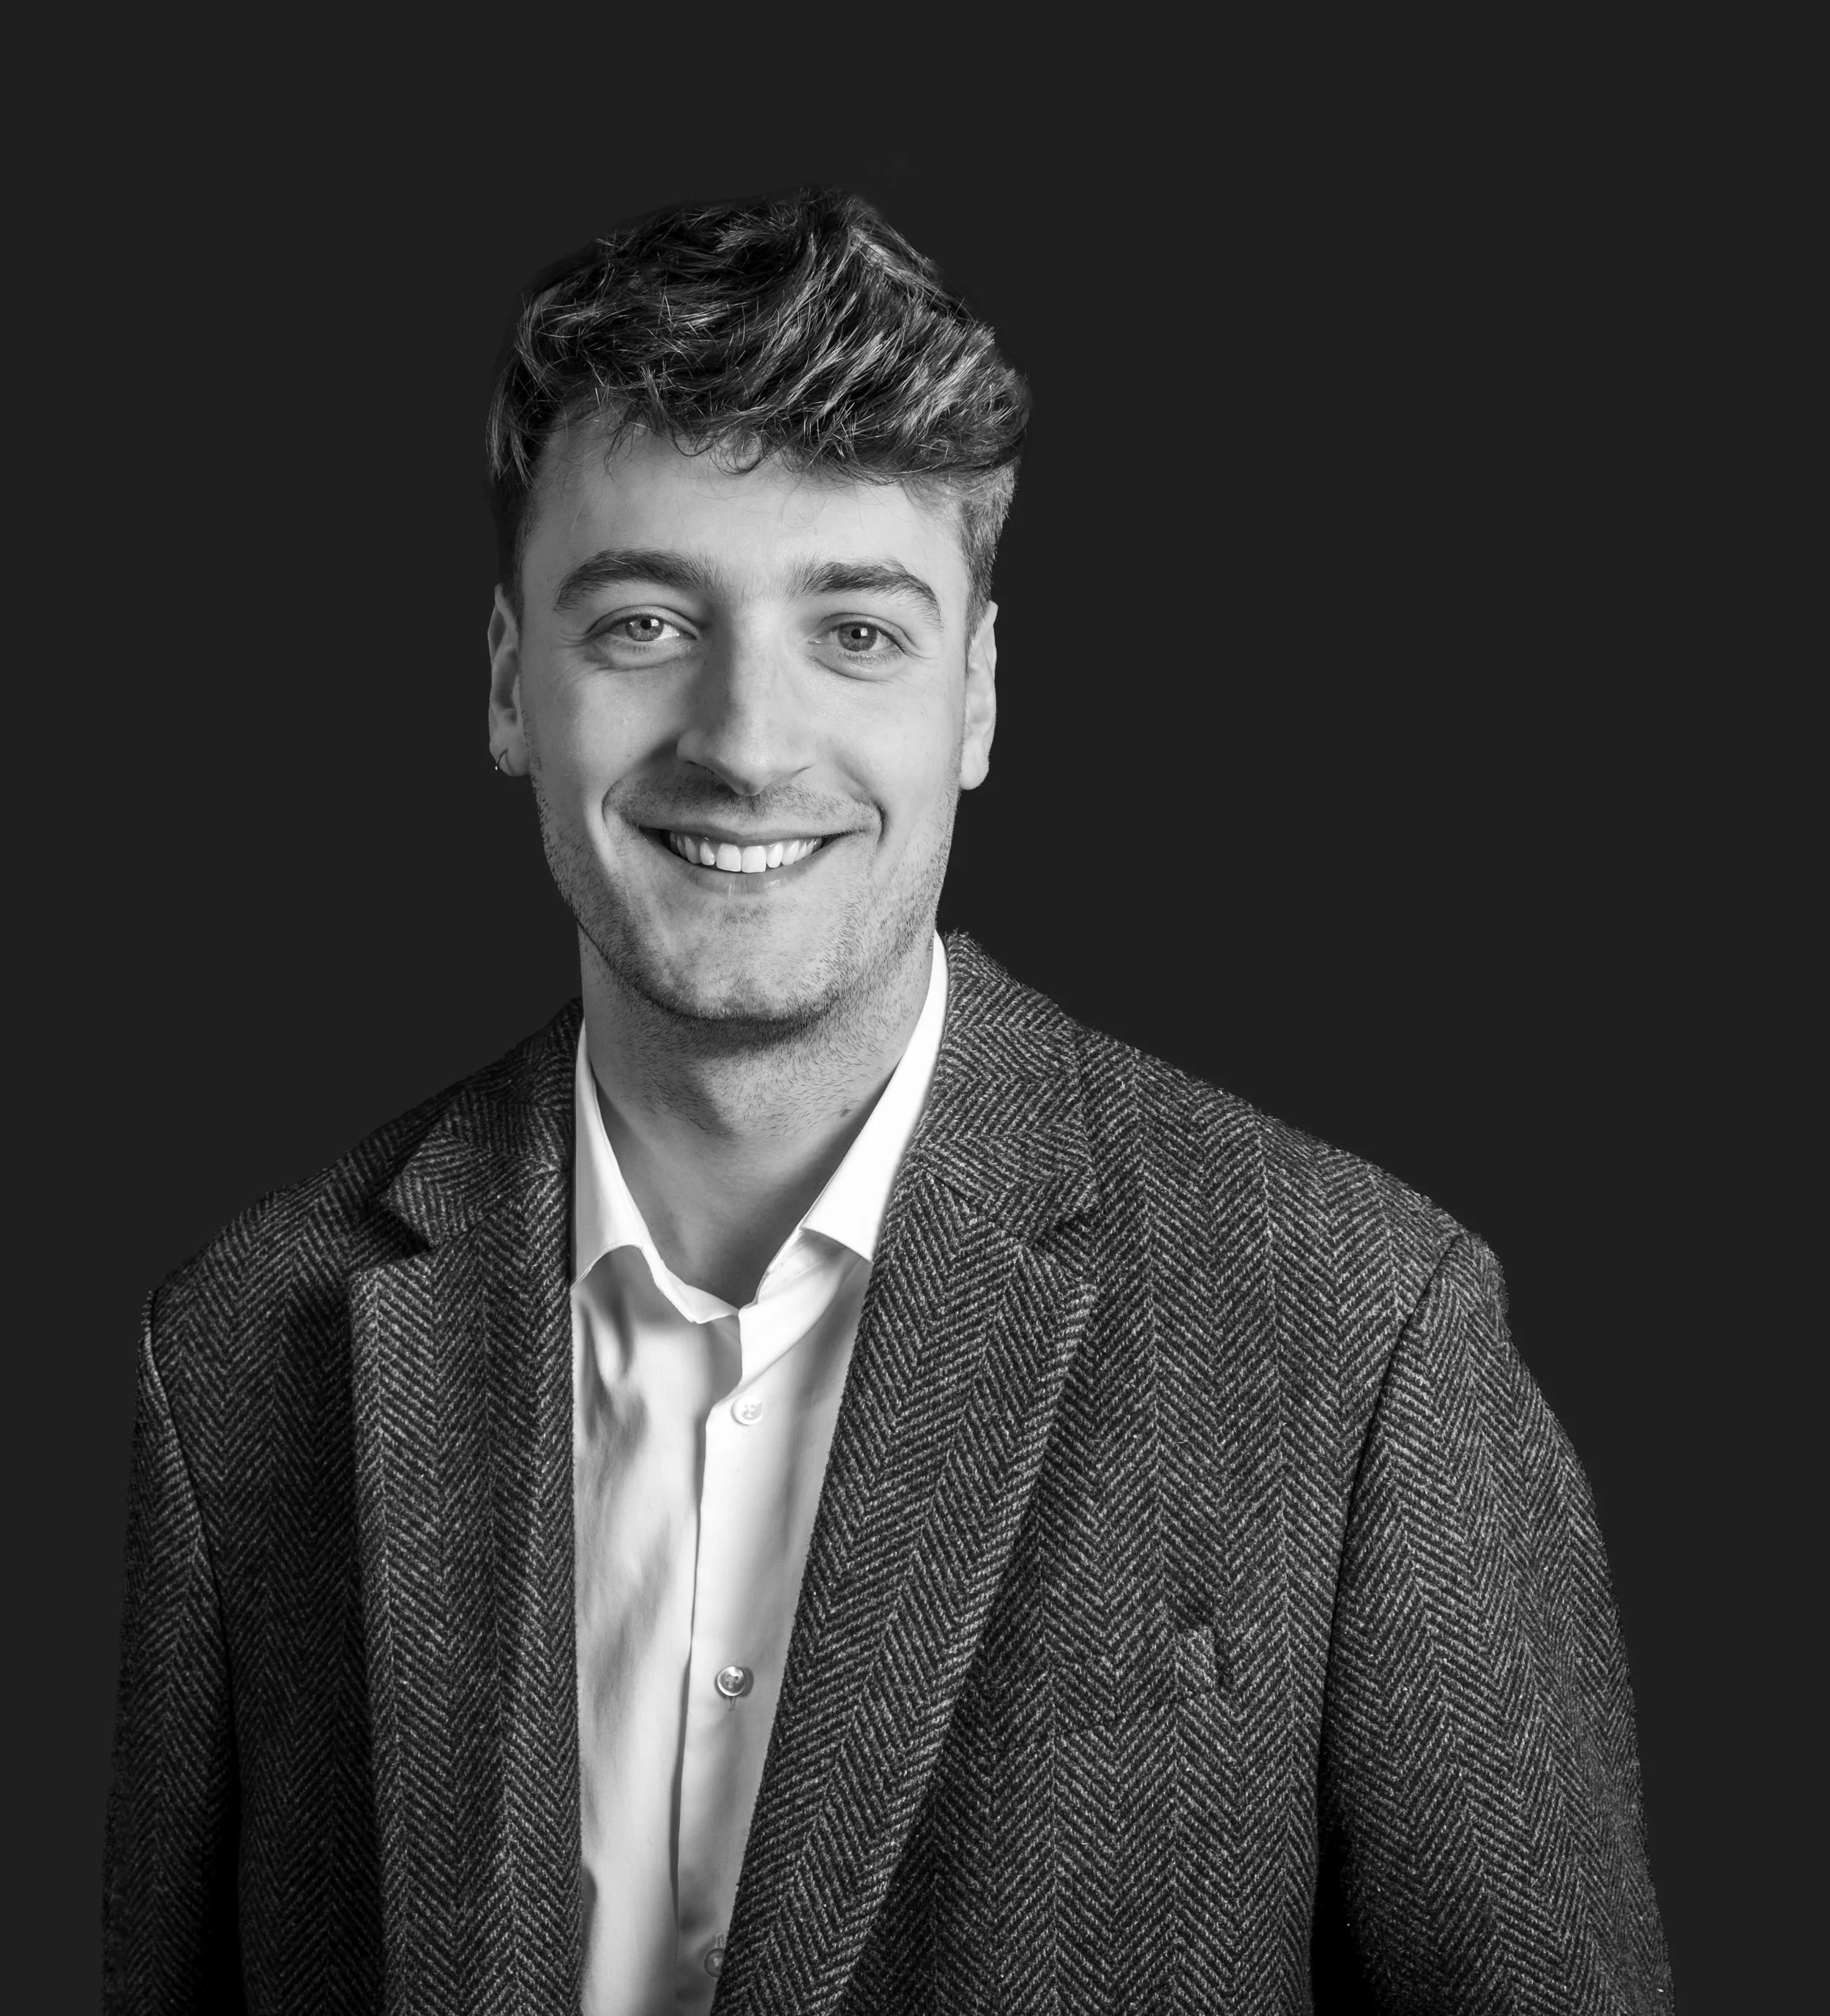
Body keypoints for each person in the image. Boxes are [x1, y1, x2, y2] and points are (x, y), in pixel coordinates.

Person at [102, 188, 1673, 2015]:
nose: (746, 743)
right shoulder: (239, 1352)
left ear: (976, 698)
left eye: (854, 632)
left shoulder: (1350, 1336)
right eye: (642, 623)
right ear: (510, 682)